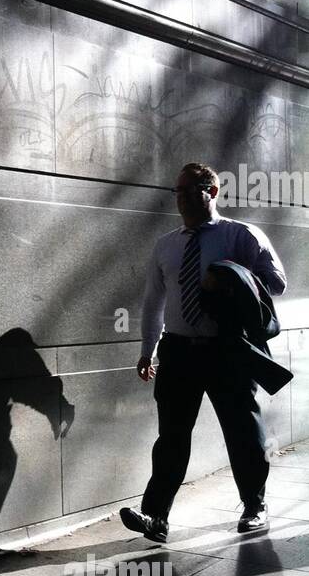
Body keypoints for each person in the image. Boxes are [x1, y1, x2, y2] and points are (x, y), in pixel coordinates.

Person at [120, 163, 287, 543]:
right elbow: (152, 303)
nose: (179, 197)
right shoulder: (166, 245)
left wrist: (233, 275)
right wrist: (148, 350)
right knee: (171, 437)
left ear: (211, 191)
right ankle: (155, 517)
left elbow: (276, 283)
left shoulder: (241, 235)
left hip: (226, 348)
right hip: (178, 351)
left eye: (187, 189)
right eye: (176, 191)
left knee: (242, 430)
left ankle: (255, 505)